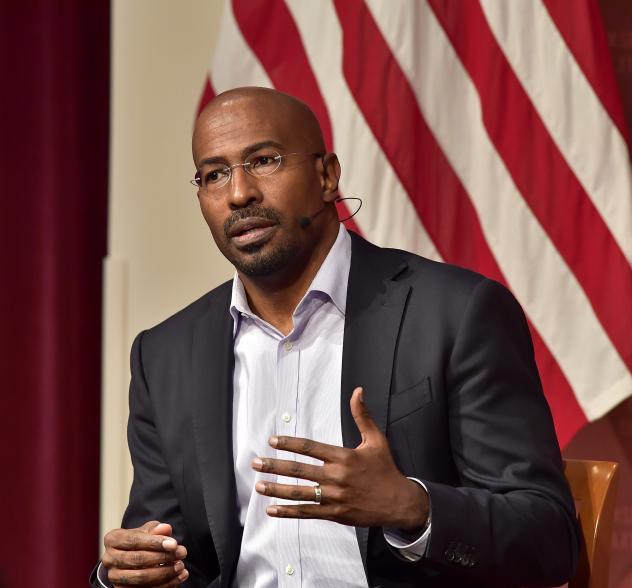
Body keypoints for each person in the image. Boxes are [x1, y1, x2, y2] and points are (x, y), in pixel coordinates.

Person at [92, 87, 579, 588]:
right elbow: (169, 551)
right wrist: (126, 574)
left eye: (264, 160)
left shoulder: (455, 314)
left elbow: (549, 539)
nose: (239, 194)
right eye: (214, 174)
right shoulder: (165, 355)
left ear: (327, 175)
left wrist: (410, 506)